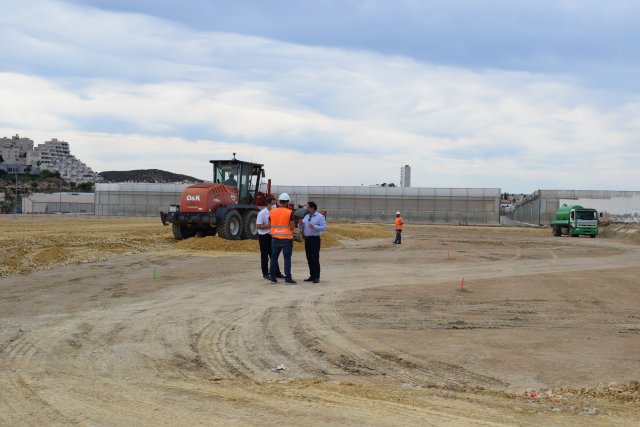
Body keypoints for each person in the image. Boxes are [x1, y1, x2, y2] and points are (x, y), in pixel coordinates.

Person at [269, 193, 297, 285]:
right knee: (287, 259)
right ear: (287, 202)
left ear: (279, 202)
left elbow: (270, 224)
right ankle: (288, 279)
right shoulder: (289, 212)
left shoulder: (272, 211)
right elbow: (292, 227)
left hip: (275, 238)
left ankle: (273, 278)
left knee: (273, 258)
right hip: (286, 239)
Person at [256, 197, 284, 280]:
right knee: (265, 256)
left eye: (275, 203)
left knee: (274, 255)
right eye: (273, 203)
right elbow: (258, 226)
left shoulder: (275, 212)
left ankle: (277, 273)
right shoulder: (262, 213)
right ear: (268, 204)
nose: (275, 205)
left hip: (272, 236)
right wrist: (268, 226)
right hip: (264, 236)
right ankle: (265, 273)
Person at [301, 201, 327, 284]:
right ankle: (312, 275)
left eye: (308, 207)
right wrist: (300, 224)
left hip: (315, 239)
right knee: (309, 258)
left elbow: (324, 227)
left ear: (313, 208)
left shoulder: (320, 217)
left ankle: (316, 276)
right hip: (307, 239)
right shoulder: (307, 216)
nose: (307, 209)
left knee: (315, 258)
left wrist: (314, 226)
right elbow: (302, 225)